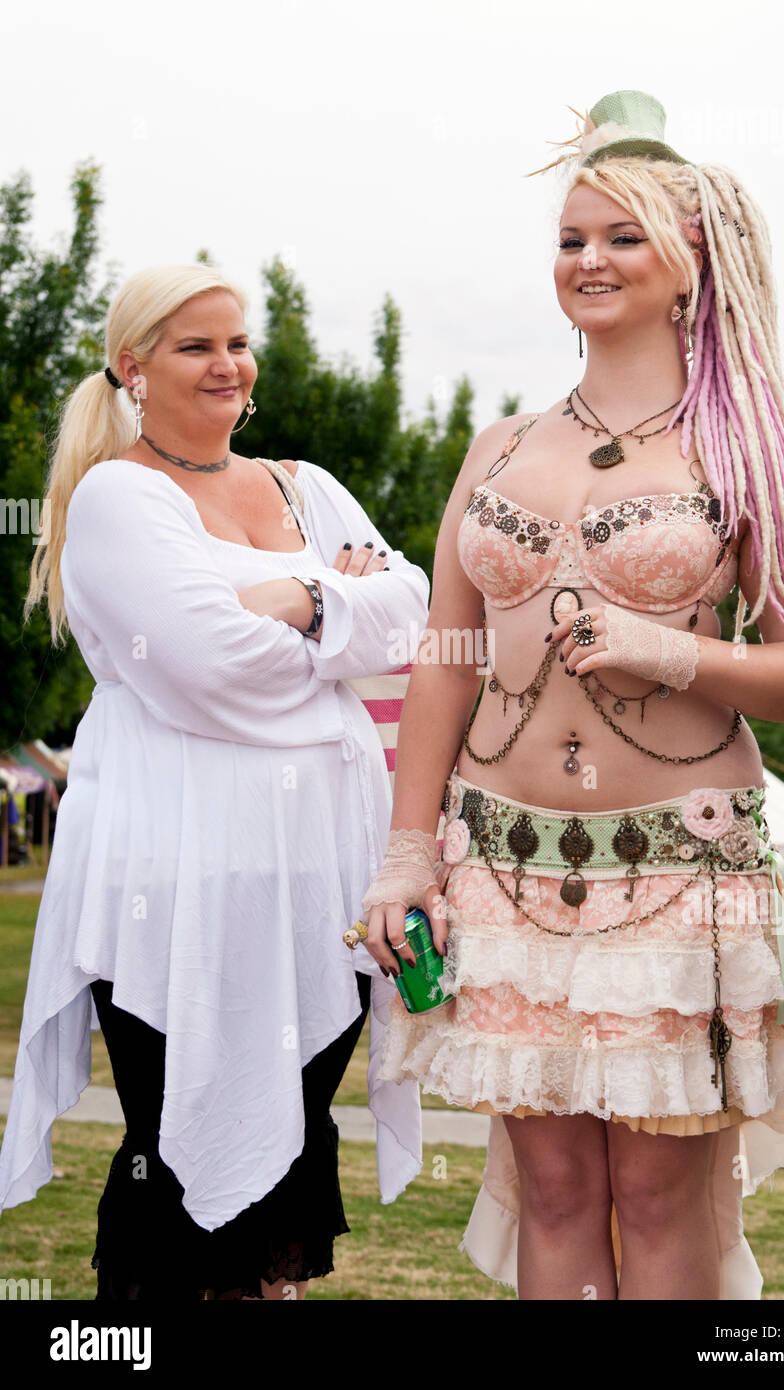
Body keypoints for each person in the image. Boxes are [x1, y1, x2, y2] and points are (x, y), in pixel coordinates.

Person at [359, 91, 784, 1300]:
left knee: (658, 1199)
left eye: (622, 237)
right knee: (561, 1196)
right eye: (572, 238)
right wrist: (406, 851)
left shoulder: (749, 452)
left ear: (691, 262)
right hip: (503, 864)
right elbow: (444, 657)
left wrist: (672, 649)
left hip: (677, 878)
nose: (588, 259)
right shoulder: (498, 444)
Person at [0, 264, 428, 1299]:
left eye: (237, 343)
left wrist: (284, 606)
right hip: (173, 883)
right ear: (131, 366)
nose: (228, 364)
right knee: (177, 1158)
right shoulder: (115, 498)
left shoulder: (306, 485)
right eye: (196, 346)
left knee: (291, 1146)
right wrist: (335, 603)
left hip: (318, 879)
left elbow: (409, 610)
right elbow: (206, 667)